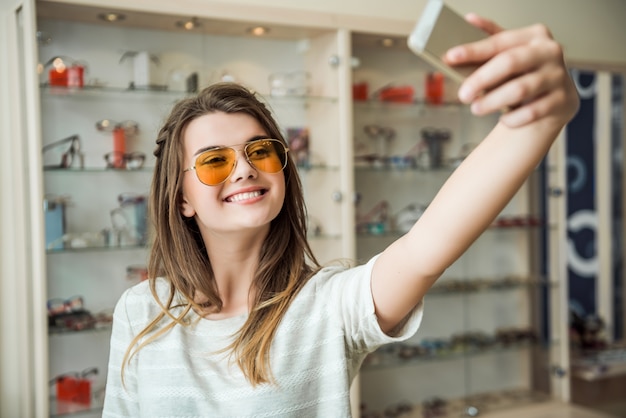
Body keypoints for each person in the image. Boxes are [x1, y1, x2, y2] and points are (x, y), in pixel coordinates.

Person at [102, 13, 579, 418]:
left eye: (260, 152)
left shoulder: (327, 306)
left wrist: (537, 120)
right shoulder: (142, 310)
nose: (245, 169)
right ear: (181, 198)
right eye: (214, 161)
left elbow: (425, 247)